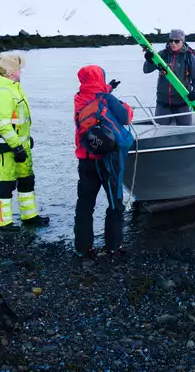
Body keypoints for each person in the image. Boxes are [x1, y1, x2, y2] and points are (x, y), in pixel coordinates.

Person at [73, 65, 134, 259]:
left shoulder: (78, 98)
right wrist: (112, 95)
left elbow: (93, 95)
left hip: (85, 159)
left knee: (85, 204)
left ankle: (83, 247)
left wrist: (108, 88)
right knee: (115, 204)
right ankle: (113, 246)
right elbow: (126, 117)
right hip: (108, 161)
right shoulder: (107, 99)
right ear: (101, 78)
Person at [0, 52, 49, 232]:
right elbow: (3, 124)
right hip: (7, 148)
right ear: (11, 72)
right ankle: (4, 223)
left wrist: (25, 139)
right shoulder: (4, 92)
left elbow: (17, 120)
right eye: (19, 69)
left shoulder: (13, 88)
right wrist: (16, 146)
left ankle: (29, 216)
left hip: (20, 145)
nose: (21, 72)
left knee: (26, 180)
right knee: (6, 183)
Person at [143, 29, 195, 125]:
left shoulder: (188, 57)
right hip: (163, 104)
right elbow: (146, 70)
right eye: (171, 41)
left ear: (182, 42)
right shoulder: (162, 54)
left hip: (182, 104)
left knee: (185, 134)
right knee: (160, 133)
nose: (173, 43)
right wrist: (149, 60)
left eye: (176, 41)